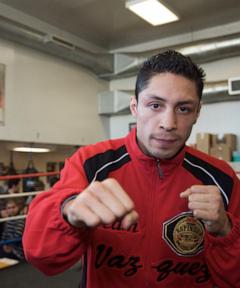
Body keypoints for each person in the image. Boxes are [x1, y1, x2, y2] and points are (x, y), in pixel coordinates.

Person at [23, 50, 240, 288]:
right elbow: (41, 257)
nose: (168, 124)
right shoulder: (91, 163)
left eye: (183, 109)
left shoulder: (222, 179)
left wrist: (224, 230)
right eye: (155, 105)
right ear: (135, 107)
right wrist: (69, 212)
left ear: (197, 112)